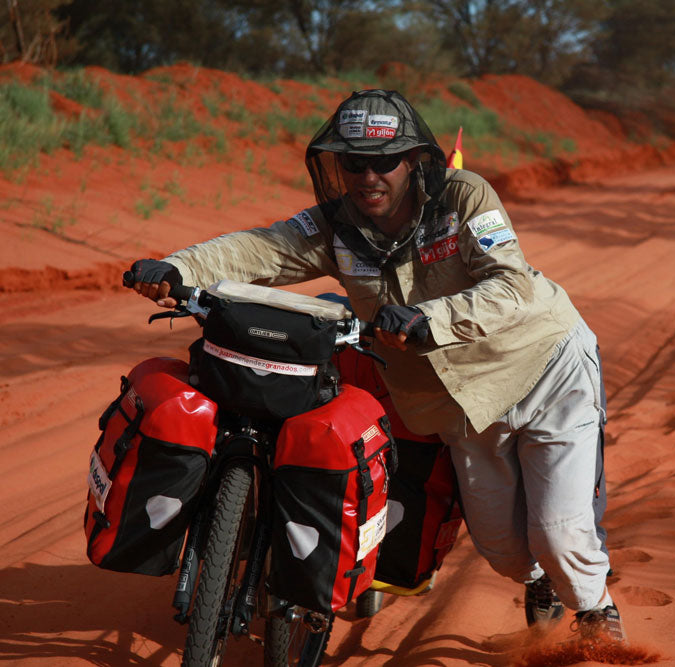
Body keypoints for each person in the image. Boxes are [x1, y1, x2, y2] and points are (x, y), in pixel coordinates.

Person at [129, 89, 624, 641]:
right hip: (460, 407)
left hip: (546, 370)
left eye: (383, 162)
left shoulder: (463, 196)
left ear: (413, 161)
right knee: (504, 550)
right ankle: (541, 581)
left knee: (558, 532)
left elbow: (513, 285)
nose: (368, 178)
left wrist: (426, 318)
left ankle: (598, 614)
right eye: (354, 163)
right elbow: (259, 249)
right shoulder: (335, 226)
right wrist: (176, 266)